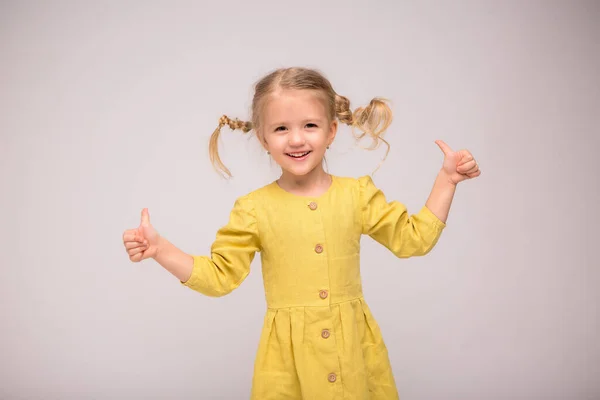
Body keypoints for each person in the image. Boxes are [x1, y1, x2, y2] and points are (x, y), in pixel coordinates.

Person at [122, 67, 481, 399]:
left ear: (331, 131)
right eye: (281, 129)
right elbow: (219, 277)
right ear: (263, 138)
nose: (296, 139)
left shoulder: (356, 195)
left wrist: (446, 180)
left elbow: (412, 240)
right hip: (287, 365)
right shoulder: (253, 209)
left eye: (309, 125)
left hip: (353, 354)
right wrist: (160, 249)